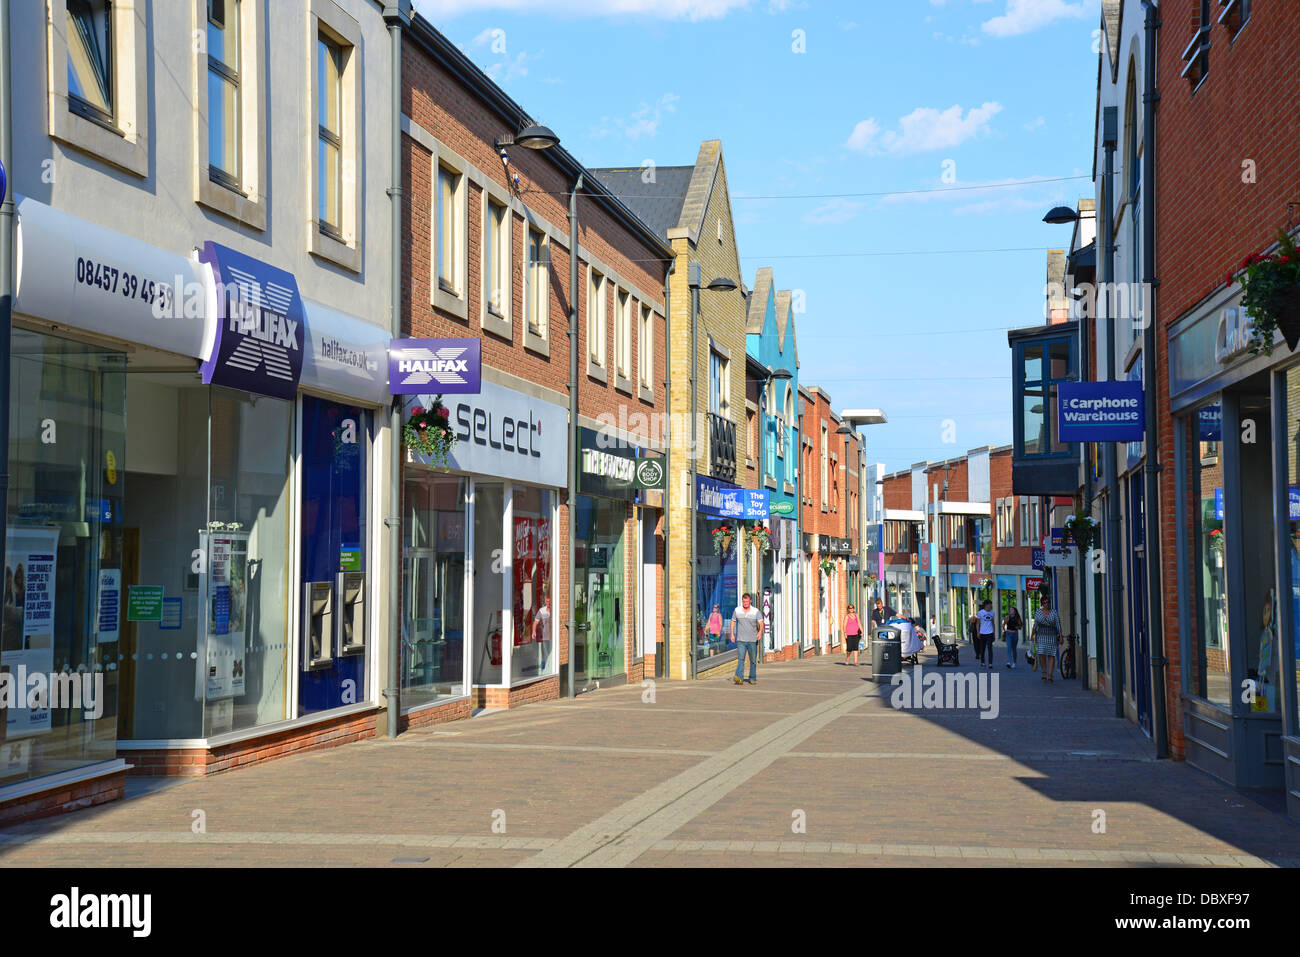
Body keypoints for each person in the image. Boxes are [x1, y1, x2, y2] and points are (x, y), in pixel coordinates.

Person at [731, 593, 764, 685]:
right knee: (741, 659)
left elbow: (761, 623)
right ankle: (739, 678)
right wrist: (732, 634)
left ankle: (752, 678)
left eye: (747, 601)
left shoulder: (755, 611)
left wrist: (760, 632)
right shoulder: (737, 610)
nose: (745, 603)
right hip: (741, 640)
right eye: (744, 601)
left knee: (753, 660)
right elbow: (733, 621)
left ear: (750, 601)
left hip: (752, 640)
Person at [1032, 594, 1063, 683]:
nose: (1047, 604)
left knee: (1051, 654)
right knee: (1041, 653)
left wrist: (1060, 636)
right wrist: (1032, 635)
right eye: (1045, 602)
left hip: (1052, 635)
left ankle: (1050, 675)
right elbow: (1035, 625)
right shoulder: (1038, 612)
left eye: (1048, 602)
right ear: (1042, 603)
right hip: (1041, 635)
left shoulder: (1054, 612)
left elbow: (1058, 624)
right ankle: (1044, 672)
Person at [975, 599, 996, 669]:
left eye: (991, 605)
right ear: (986, 605)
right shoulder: (980, 613)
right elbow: (978, 623)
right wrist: (978, 632)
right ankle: (982, 662)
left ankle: (990, 663)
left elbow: (993, 623)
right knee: (982, 648)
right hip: (982, 633)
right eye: (990, 605)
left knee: (990, 648)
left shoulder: (992, 613)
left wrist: (994, 633)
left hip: (990, 632)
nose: (991, 606)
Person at [1003, 605, 1023, 669]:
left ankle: (1014, 662)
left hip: (1015, 634)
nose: (1010, 611)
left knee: (1014, 649)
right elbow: (1003, 625)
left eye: (1012, 610)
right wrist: (1005, 631)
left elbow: (1020, 626)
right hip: (1008, 634)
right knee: (1009, 648)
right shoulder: (1007, 617)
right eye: (1010, 610)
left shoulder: (1017, 618)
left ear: (1015, 611)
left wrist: (1018, 627)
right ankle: (1009, 662)